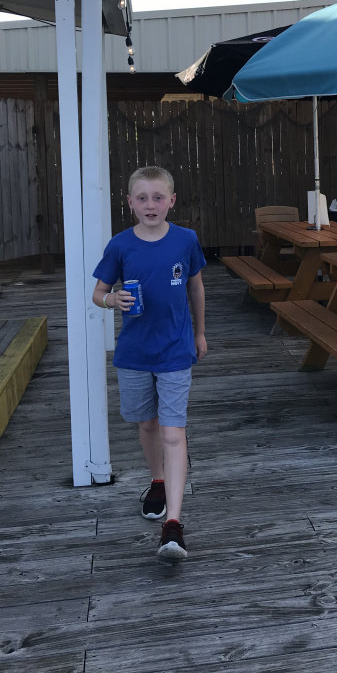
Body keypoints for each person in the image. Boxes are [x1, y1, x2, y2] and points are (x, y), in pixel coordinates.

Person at [92, 166, 207, 561]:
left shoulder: (186, 240)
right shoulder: (120, 245)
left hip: (175, 350)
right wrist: (112, 300)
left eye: (158, 197)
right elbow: (98, 293)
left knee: (173, 432)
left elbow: (195, 286)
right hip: (135, 354)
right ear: (130, 203)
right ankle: (157, 480)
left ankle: (172, 524)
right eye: (142, 198)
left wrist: (200, 333)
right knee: (147, 424)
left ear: (171, 200)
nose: (150, 205)